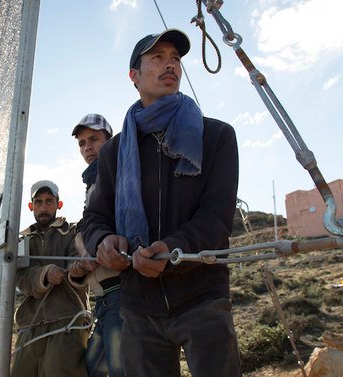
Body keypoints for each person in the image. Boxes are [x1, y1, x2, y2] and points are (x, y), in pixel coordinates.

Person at [81, 29, 242, 377]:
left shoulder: (216, 136)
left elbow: (216, 217)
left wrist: (171, 249)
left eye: (175, 58)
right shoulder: (113, 152)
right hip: (138, 305)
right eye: (157, 57)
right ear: (134, 77)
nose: (170, 64)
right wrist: (103, 242)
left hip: (204, 295)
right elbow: (94, 217)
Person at [12, 180, 90, 377]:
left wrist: (76, 272)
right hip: (29, 325)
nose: (43, 207)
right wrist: (45, 274)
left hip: (67, 322)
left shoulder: (72, 233)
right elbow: (21, 279)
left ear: (59, 204)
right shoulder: (23, 242)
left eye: (49, 201)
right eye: (38, 202)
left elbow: (80, 268)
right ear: (31, 207)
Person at [69, 114, 124, 377]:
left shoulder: (115, 175)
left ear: (110, 141)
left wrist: (91, 248)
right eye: (81, 143)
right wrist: (82, 261)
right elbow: (87, 232)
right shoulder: (92, 181)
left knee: (120, 369)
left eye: (94, 139)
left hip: (121, 292)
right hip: (103, 299)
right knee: (93, 368)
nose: (87, 147)